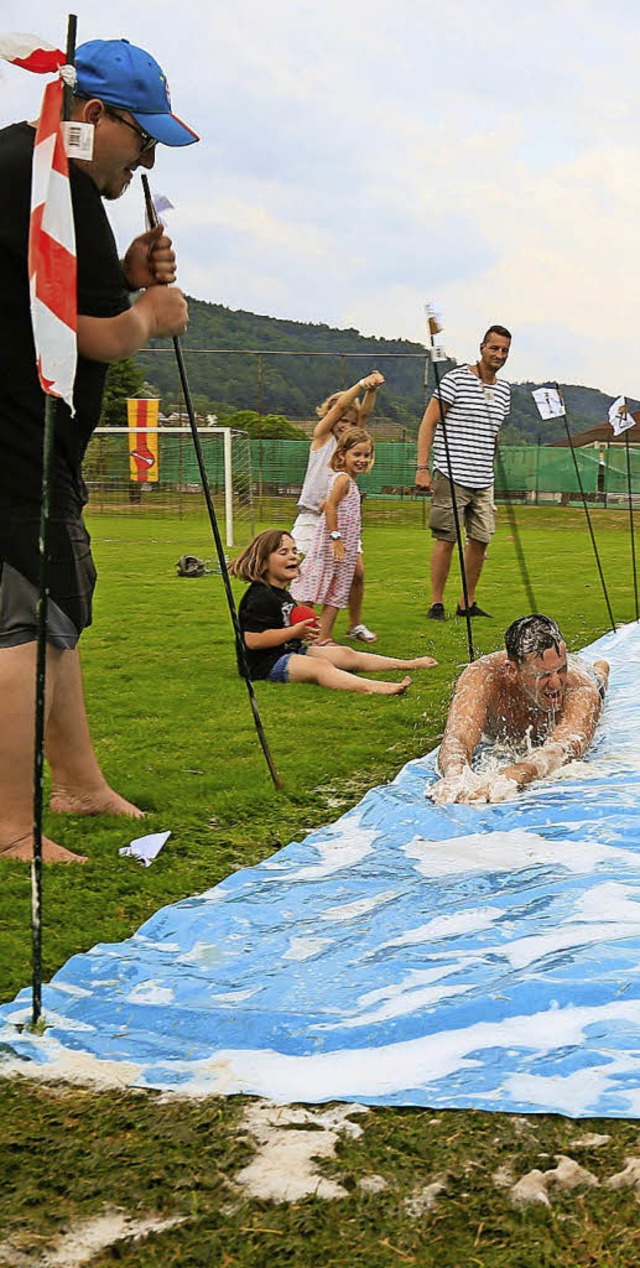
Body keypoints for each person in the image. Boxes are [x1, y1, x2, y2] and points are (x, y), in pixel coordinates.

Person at [0, 39, 198, 863]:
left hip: (34, 446)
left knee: (54, 616)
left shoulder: (30, 163)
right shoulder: (53, 178)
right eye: (142, 138)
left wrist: (123, 272)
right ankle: (11, 827)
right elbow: (89, 333)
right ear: (94, 116)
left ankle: (78, 784)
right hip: (15, 447)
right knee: (20, 628)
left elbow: (46, 289)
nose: (146, 158)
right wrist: (151, 315)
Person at [428, 614, 609, 805]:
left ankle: (601, 668)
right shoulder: (483, 676)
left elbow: (565, 747)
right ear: (512, 671)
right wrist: (456, 773)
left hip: (585, 674)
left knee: (599, 679)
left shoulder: (580, 690)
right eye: (543, 675)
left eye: (560, 670)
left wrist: (514, 774)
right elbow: (458, 737)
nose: (556, 684)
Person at [231, 529, 438, 695]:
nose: (293, 556)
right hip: (264, 664)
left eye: (294, 551)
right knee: (320, 667)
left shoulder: (281, 593)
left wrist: (304, 631)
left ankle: (408, 664)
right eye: (283, 552)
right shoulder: (260, 597)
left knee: (345, 653)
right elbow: (253, 641)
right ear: (264, 561)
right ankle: (375, 687)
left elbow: (287, 627)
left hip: (289, 650)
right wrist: (295, 632)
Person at [416, 325, 512, 621]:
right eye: (494, 348)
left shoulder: (505, 391)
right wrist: (422, 467)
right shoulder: (456, 379)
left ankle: (466, 602)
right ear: (482, 347)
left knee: (481, 539)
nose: (499, 354)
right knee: (447, 537)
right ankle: (436, 603)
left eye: (504, 350)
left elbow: (491, 432)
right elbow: (428, 423)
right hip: (451, 472)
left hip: (484, 478)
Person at [292, 370, 384, 642]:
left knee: (356, 572)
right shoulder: (322, 437)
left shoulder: (354, 445)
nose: (343, 423)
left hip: (339, 521)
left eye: (348, 420)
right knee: (294, 568)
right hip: (311, 516)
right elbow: (343, 406)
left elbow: (363, 414)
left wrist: (372, 391)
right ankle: (295, 622)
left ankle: (353, 625)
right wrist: (361, 384)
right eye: (339, 418)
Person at [291, 429, 374, 643]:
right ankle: (302, 632)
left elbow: (329, 505)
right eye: (357, 454)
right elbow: (331, 508)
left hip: (346, 546)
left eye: (366, 455)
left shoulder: (351, 483)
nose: (362, 460)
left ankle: (322, 638)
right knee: (313, 586)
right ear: (342, 456)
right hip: (331, 546)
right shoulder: (342, 479)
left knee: (337, 591)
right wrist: (336, 537)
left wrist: (353, 528)